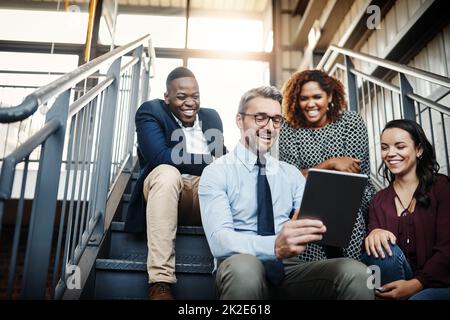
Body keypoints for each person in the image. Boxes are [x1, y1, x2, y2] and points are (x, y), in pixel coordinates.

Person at [198, 86, 374, 300]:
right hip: (240, 262)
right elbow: (219, 241)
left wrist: (315, 222)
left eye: (276, 120)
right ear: (239, 120)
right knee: (245, 269)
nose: (269, 127)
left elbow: (309, 219)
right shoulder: (216, 172)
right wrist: (274, 246)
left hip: (289, 269)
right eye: (260, 118)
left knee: (357, 273)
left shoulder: (290, 174)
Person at [124, 66, 226, 300]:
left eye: (195, 96)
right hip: (168, 191)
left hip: (204, 194)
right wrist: (212, 162)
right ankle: (160, 282)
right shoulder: (150, 111)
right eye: (181, 97)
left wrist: (221, 164)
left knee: (228, 181)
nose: (190, 102)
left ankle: (232, 276)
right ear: (167, 97)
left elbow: (222, 159)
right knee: (167, 172)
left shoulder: (211, 117)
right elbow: (159, 156)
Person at [279, 69, 376, 261]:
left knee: (345, 206)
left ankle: (354, 270)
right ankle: (321, 277)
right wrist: (332, 163)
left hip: (354, 196)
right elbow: (290, 178)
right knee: (306, 215)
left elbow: (352, 171)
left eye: (317, 97)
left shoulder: (350, 121)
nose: (311, 104)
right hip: (307, 199)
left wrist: (309, 173)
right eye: (304, 98)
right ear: (296, 101)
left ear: (330, 96)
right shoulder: (289, 129)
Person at [362, 119, 450, 300]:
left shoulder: (441, 187)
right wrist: (374, 233)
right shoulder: (378, 200)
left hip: (439, 283)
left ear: (419, 150)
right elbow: (372, 261)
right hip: (395, 281)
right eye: (385, 147)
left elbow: (447, 248)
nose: (391, 153)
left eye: (400, 146)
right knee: (379, 251)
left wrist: (415, 285)